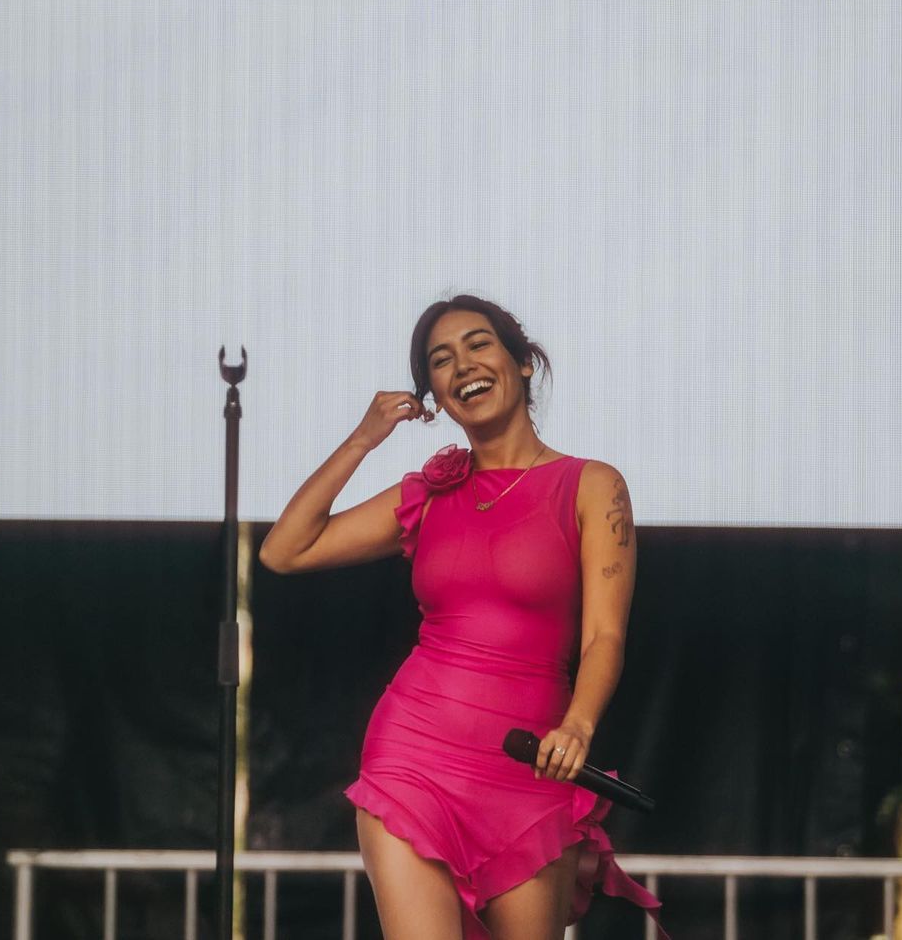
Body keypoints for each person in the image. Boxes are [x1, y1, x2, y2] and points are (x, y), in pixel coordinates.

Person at [260, 295, 667, 940]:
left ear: (523, 362)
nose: (464, 366)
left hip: (529, 766)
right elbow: (285, 550)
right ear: (436, 397)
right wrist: (364, 438)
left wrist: (578, 725)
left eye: (479, 345)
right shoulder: (429, 493)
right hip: (413, 753)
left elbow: (604, 634)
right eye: (441, 360)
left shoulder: (592, 485)